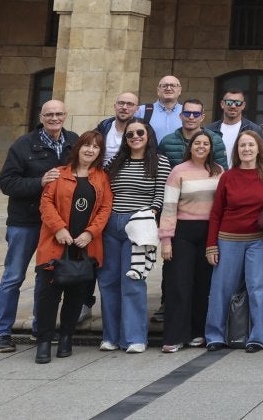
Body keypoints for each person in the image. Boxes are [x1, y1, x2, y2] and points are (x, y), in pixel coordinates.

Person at [0, 99, 77, 353]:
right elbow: (7, 182)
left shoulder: (73, 141)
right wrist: (39, 181)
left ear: (65, 115)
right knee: (13, 276)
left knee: (47, 279)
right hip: (25, 222)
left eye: (59, 113)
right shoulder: (23, 145)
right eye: (49, 114)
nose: (54, 118)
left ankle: (42, 330)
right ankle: (1, 332)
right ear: (41, 117)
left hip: (56, 225)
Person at [32, 130, 111, 363]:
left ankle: (66, 337)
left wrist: (90, 232)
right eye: (86, 145)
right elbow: (45, 203)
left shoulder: (101, 177)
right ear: (78, 148)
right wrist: (58, 228)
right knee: (48, 296)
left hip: (85, 246)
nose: (90, 150)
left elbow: (106, 208)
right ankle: (44, 341)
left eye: (96, 147)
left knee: (76, 296)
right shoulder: (59, 174)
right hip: (56, 245)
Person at [204, 129, 263, 352]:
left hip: (260, 240)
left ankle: (257, 337)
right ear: (237, 150)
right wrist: (211, 245)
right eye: (242, 146)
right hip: (228, 239)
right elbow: (216, 212)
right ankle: (215, 335)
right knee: (222, 288)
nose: (246, 149)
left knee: (259, 288)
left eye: (250, 145)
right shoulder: (227, 176)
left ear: (259, 148)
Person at [100, 120, 166, 353]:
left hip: (138, 225)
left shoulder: (160, 161)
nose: (135, 137)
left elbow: (161, 195)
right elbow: (104, 189)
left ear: (148, 135)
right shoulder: (115, 162)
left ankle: (135, 337)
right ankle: (111, 336)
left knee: (133, 280)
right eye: (130, 134)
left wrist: (151, 213)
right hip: (111, 224)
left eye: (140, 132)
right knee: (108, 281)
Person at [159, 129, 221, 352]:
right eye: (197, 143)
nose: (201, 146)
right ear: (191, 147)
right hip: (183, 232)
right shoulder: (178, 171)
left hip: (208, 232)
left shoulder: (218, 171)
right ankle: (175, 337)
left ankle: (197, 332)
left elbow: (221, 206)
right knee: (179, 285)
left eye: (206, 143)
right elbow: (169, 207)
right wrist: (166, 240)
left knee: (203, 285)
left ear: (211, 148)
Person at [158, 98, 227, 170]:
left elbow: (222, 172)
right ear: (181, 116)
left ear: (202, 117)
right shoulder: (167, 141)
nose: (191, 117)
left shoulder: (215, 140)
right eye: (187, 113)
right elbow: (159, 170)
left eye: (196, 114)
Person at [207, 90, 263, 167]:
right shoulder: (209, 130)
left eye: (237, 103)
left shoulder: (254, 129)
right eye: (229, 102)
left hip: (243, 176)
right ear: (222, 104)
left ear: (243, 105)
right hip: (214, 176)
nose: (233, 106)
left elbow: (261, 158)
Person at [96, 92, 140, 164]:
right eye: (121, 103)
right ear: (115, 106)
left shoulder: (142, 131)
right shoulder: (103, 127)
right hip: (102, 173)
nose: (124, 107)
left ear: (137, 109)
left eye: (130, 104)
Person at [141, 75, 186, 142]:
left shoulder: (187, 112)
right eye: (164, 86)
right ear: (158, 90)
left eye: (173, 85)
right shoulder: (142, 111)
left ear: (179, 90)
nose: (168, 88)